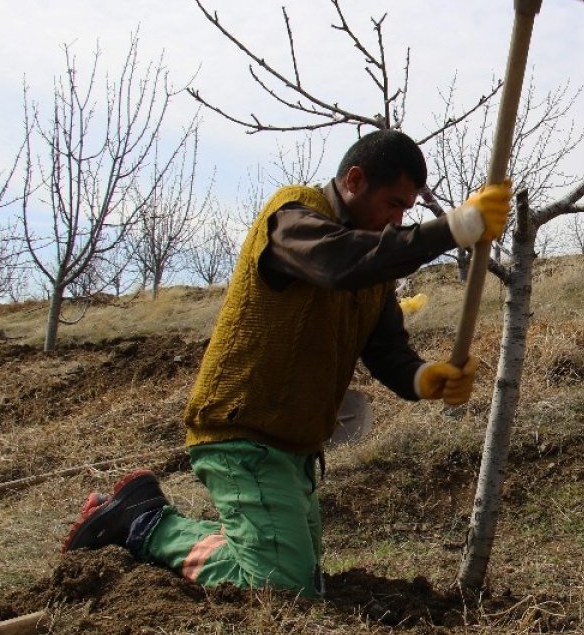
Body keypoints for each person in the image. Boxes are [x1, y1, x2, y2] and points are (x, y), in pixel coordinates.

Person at [60, 129, 511, 597]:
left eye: (406, 212)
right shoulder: (293, 216)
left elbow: (387, 352)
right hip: (242, 434)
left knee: (299, 581)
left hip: (293, 453)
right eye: (393, 204)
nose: (397, 220)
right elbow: (338, 262)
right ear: (355, 181)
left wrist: (423, 378)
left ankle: (150, 518)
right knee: (280, 586)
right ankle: (144, 523)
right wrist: (455, 228)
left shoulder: (373, 269)